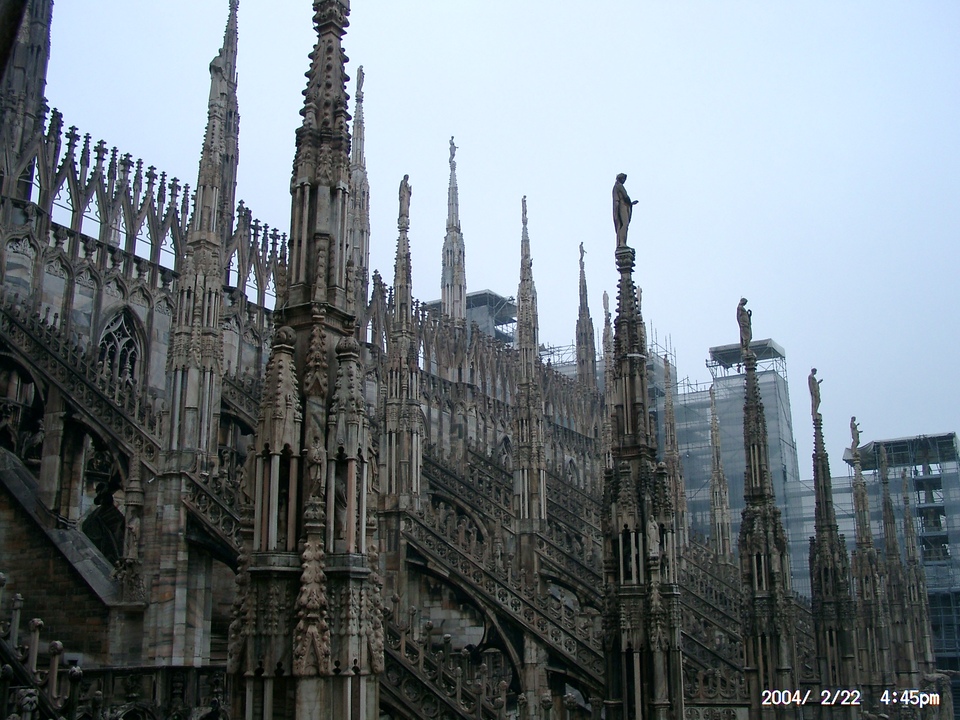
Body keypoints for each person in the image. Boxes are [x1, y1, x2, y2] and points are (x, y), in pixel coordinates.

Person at [612, 173, 638, 247]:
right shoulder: (619, 186)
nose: (624, 180)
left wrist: (631, 203)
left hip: (624, 206)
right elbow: (625, 197)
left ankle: (622, 242)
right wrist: (630, 203)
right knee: (624, 224)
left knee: (624, 224)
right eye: (623, 179)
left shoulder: (618, 186)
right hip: (622, 206)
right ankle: (622, 242)